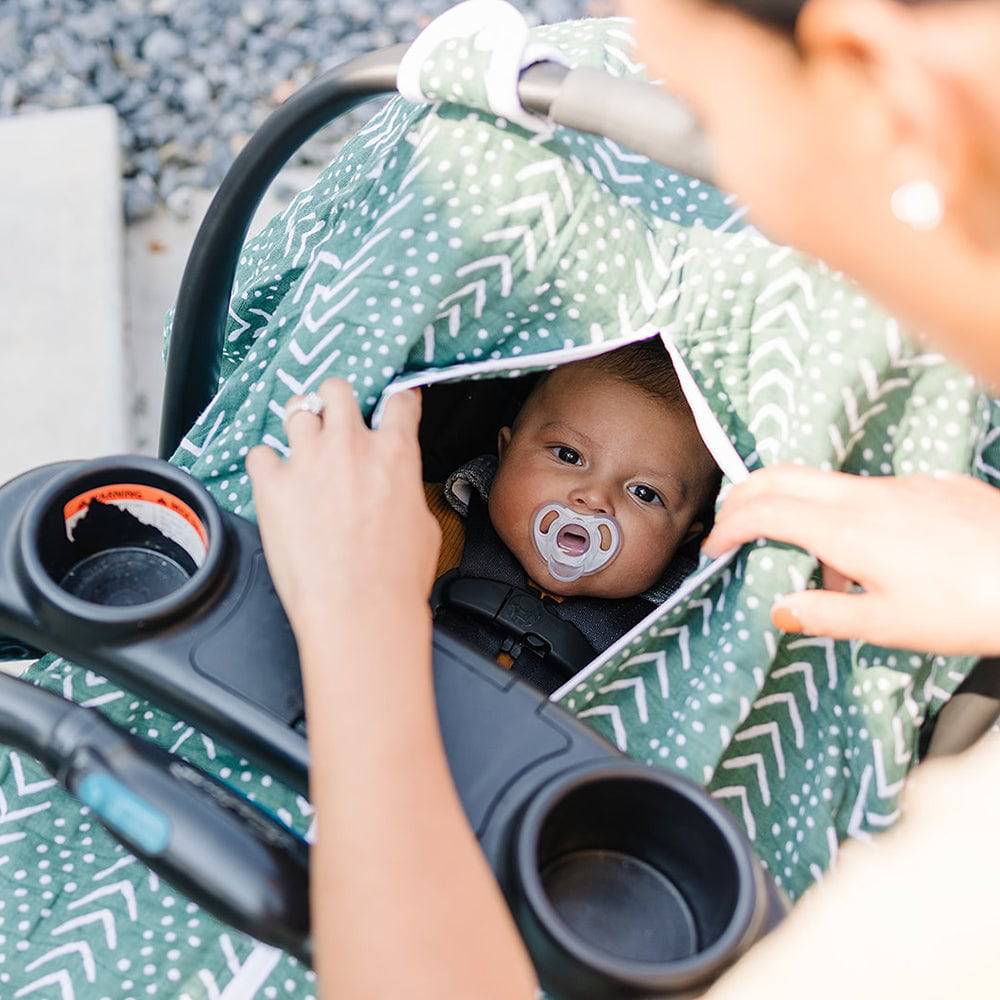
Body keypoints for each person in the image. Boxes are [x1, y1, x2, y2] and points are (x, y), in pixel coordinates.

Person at [247, 0, 1000, 996]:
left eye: (707, 122)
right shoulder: (449, 520)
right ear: (507, 440)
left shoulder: (943, 901)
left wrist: (356, 624)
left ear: (879, 86)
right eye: (562, 455)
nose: (588, 503)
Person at [427, 340, 720, 688]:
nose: (595, 497)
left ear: (683, 537)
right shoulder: (421, 524)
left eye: (644, 493)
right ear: (506, 451)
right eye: (568, 456)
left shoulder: (676, 645)